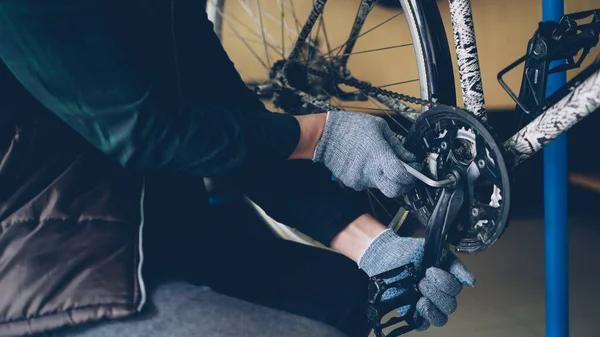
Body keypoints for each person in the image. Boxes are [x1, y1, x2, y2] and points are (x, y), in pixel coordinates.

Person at [0, 1, 475, 336]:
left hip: (162, 241)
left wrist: (376, 247)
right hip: (54, 269)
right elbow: (143, 132)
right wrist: (318, 134)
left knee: (346, 294)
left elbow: (232, 120)